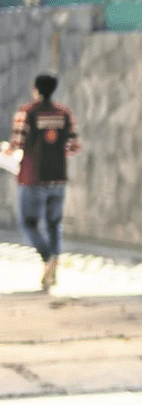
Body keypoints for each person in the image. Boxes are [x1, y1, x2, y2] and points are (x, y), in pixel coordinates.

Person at [3, 73, 81, 290]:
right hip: (57, 178)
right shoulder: (65, 113)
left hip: (32, 178)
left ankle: (47, 257)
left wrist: (5, 151)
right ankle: (54, 261)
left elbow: (16, 144)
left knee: (28, 223)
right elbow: (73, 146)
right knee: (54, 224)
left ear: (36, 89)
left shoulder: (26, 112)